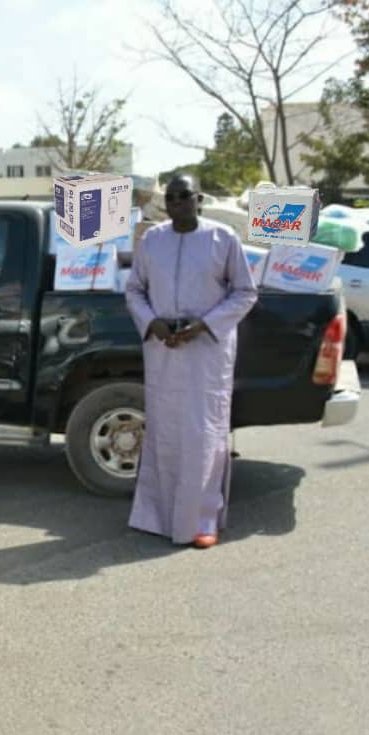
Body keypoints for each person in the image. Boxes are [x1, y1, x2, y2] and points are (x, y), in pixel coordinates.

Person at [124, 174, 258, 549]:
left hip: (206, 354)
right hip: (163, 350)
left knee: (203, 435)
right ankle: (155, 515)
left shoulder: (223, 238)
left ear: (199, 198)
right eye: (171, 197)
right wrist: (153, 322)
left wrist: (204, 325)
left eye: (185, 196)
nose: (178, 203)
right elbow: (134, 290)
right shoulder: (153, 240)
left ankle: (201, 522)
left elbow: (245, 292)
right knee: (164, 434)